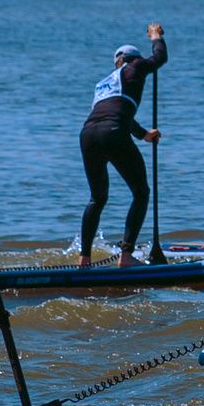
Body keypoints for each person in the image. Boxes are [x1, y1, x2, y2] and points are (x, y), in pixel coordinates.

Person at [78, 24, 166, 268]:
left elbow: (115, 115)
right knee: (141, 192)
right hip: (113, 132)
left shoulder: (104, 82)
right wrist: (156, 37)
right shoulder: (135, 66)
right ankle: (126, 256)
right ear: (130, 59)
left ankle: (84, 259)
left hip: (88, 134)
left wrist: (143, 135)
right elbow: (159, 58)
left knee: (97, 198)